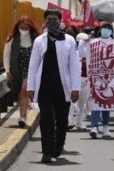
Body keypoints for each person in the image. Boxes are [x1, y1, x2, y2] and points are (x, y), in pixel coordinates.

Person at [27, 9, 81, 163]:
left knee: (62, 120)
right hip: (44, 87)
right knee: (46, 118)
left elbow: (74, 66)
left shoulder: (69, 40)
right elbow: (33, 65)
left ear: (60, 21)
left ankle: (58, 145)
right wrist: (31, 87)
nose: (52, 22)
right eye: (49, 19)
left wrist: (75, 88)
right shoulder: (39, 41)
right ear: (45, 21)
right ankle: (47, 151)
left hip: (62, 87)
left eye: (55, 19)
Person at [79, 22, 114, 139]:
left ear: (112, 32)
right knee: (95, 103)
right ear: (100, 30)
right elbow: (82, 54)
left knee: (107, 102)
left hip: (110, 78)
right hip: (94, 77)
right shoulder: (93, 42)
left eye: (109, 29)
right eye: (104, 28)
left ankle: (106, 127)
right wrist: (83, 41)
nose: (106, 30)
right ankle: (94, 127)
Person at [3, 15, 41, 127]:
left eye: (26, 28)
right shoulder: (12, 38)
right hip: (17, 68)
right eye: (22, 27)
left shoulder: (37, 38)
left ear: (30, 27)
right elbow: (6, 54)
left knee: (24, 90)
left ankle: (23, 116)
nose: (24, 30)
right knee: (21, 93)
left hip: (32, 69)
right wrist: (7, 70)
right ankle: (23, 115)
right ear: (18, 27)